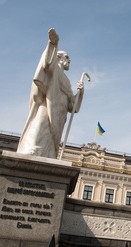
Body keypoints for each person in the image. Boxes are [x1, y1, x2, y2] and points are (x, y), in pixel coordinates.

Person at [17, 28, 84, 159]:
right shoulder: (54, 69)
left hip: (60, 114)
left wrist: (80, 93)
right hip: (48, 105)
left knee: (51, 138)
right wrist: (53, 44)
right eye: (67, 57)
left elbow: (72, 105)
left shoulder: (67, 81)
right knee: (39, 126)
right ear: (58, 58)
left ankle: (48, 154)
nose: (69, 60)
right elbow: (47, 64)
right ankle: (32, 149)